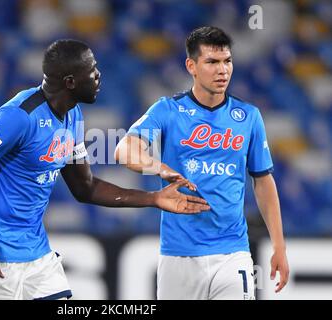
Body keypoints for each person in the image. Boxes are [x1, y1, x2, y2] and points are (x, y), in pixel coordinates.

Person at [0, 39, 210, 300]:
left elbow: (85, 187)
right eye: (92, 70)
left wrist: (153, 199)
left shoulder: (72, 115)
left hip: (36, 254)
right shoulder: (19, 117)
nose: (99, 75)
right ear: (70, 82)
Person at [115, 26, 289, 300]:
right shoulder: (168, 111)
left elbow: (263, 181)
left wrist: (279, 246)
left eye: (227, 61)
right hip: (178, 255)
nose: (223, 70)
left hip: (233, 252)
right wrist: (161, 168)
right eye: (212, 62)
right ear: (191, 66)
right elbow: (124, 150)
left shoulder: (249, 117)